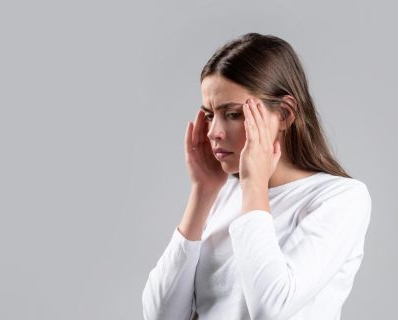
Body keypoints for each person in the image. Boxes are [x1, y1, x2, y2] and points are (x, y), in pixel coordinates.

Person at [142, 32, 372, 320]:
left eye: (233, 114)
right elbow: (160, 315)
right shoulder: (222, 194)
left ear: (286, 114)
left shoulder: (340, 199)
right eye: (210, 115)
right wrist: (203, 192)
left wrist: (254, 186)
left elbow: (270, 308)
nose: (214, 132)